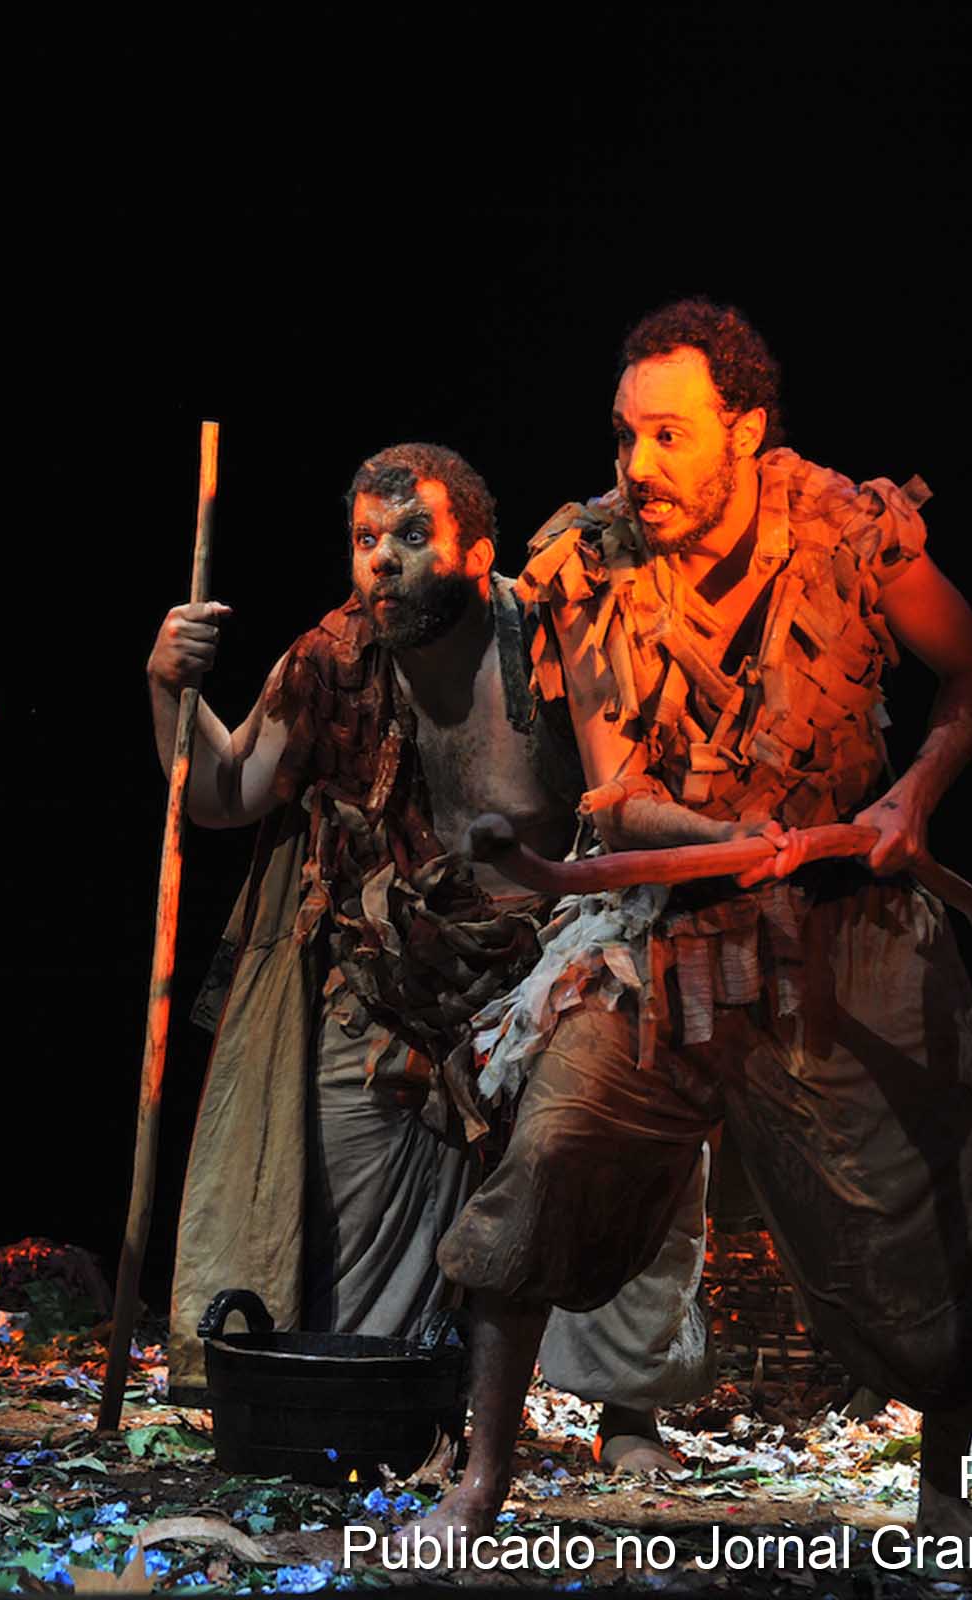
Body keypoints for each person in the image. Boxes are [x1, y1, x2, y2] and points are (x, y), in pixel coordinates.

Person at [414, 300, 972, 1540]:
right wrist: (753, 848)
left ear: (745, 430)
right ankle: (483, 1483)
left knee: (934, 1192)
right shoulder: (586, 564)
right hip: (664, 946)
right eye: (624, 435)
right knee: (548, 1159)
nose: (637, 466)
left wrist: (907, 797)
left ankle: (943, 1485)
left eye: (669, 435)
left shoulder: (852, 532)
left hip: (847, 932)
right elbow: (619, 801)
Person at [151, 443, 712, 1473]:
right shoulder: (331, 660)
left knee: (625, 1123)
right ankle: (405, 1394)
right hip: (395, 976)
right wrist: (167, 687)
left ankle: (628, 1415)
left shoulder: (550, 638)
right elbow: (221, 795)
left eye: (413, 537)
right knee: (344, 1253)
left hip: (551, 957)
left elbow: (619, 799)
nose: (384, 563)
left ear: (479, 551)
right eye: (367, 540)